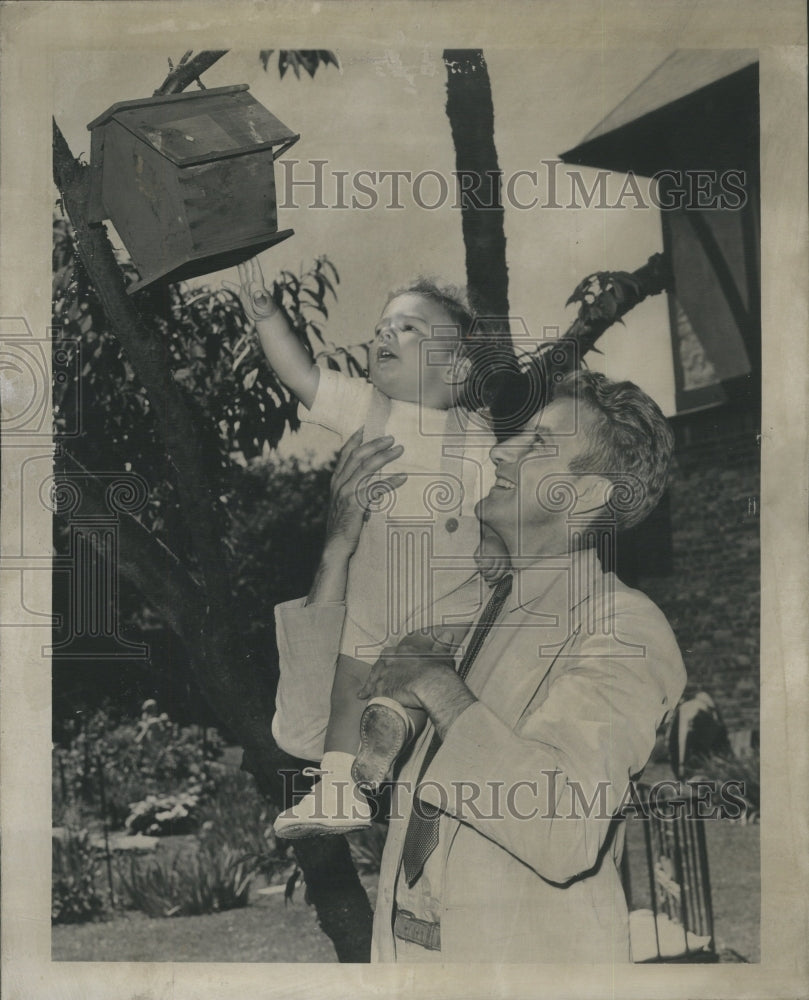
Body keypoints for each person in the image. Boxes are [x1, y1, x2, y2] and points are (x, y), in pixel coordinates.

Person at [272, 369, 687, 962]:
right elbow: (311, 734)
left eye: (539, 443)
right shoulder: (469, 604)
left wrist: (435, 684)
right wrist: (339, 547)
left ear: (594, 493)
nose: (502, 450)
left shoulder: (621, 625)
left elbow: (563, 825)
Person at [226, 258, 510, 837]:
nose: (384, 334)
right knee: (348, 681)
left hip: (446, 596)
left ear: (456, 369)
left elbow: (504, 509)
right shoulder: (368, 408)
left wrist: (500, 544)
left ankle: (378, 750)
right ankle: (339, 789)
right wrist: (266, 317)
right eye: (382, 327)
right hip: (373, 597)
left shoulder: (480, 439)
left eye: (408, 329)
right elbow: (301, 375)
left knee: (420, 664)